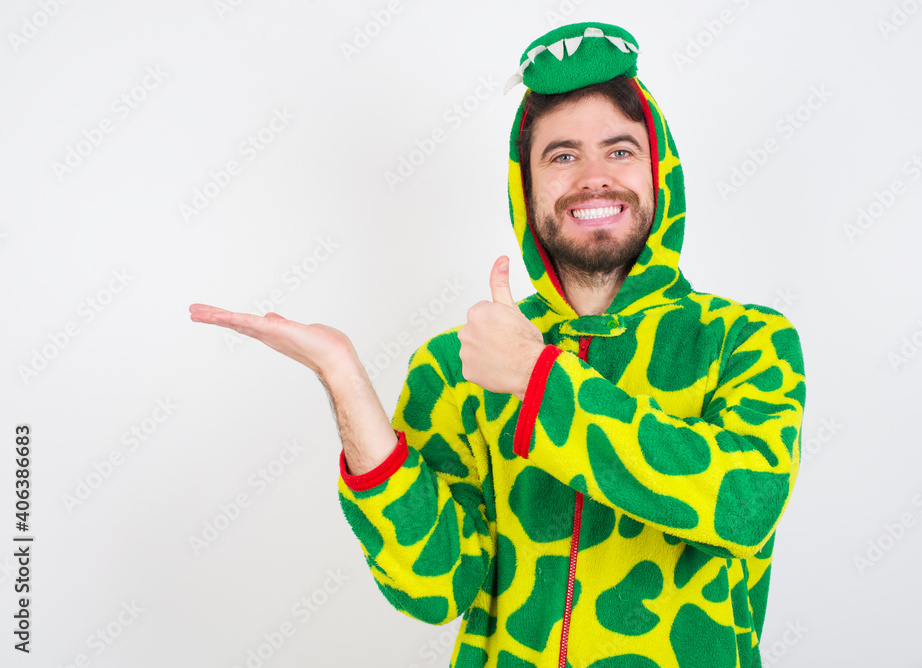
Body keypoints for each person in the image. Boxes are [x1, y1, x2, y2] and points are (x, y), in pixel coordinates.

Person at [190, 21, 806, 668]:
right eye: (562, 156)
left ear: (660, 172)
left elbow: (742, 504)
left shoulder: (747, 341)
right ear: (527, 185)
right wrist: (344, 380)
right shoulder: (457, 365)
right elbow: (434, 588)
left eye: (620, 151)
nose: (594, 177)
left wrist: (536, 380)